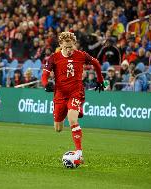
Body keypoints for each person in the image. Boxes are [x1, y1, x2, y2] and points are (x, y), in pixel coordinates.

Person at [41, 32, 105, 164]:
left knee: (72, 119)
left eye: (71, 46)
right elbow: (44, 75)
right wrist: (46, 84)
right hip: (60, 95)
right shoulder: (54, 58)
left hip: (76, 93)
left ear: (74, 44)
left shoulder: (81, 55)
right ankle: (72, 110)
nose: (69, 50)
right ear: (60, 45)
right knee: (58, 128)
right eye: (66, 47)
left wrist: (100, 79)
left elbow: (96, 63)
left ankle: (79, 154)